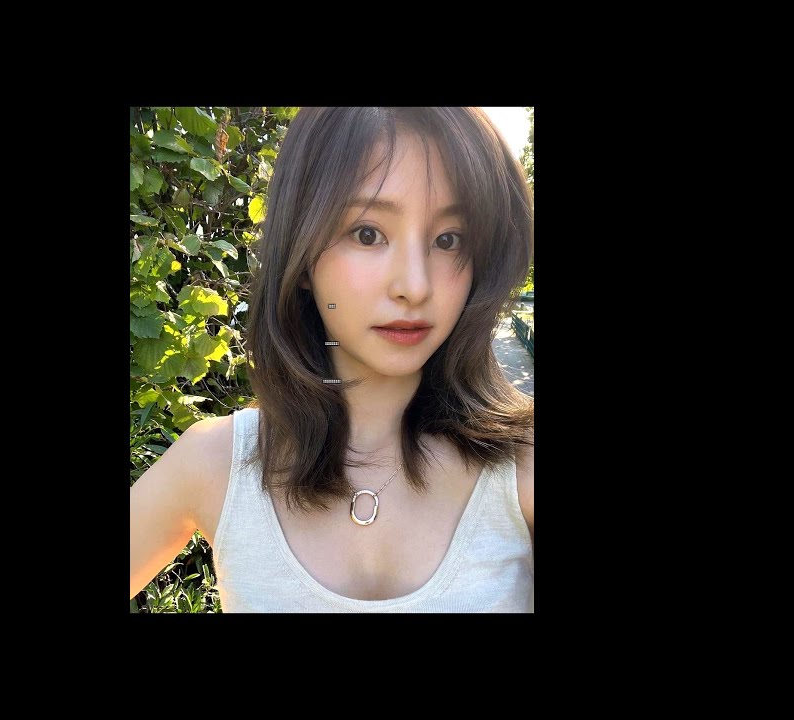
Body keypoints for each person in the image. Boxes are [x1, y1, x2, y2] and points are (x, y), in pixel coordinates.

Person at [130, 107, 534, 612]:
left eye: (448, 240)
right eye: (367, 234)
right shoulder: (216, 463)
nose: (414, 286)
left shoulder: (521, 465)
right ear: (301, 255)